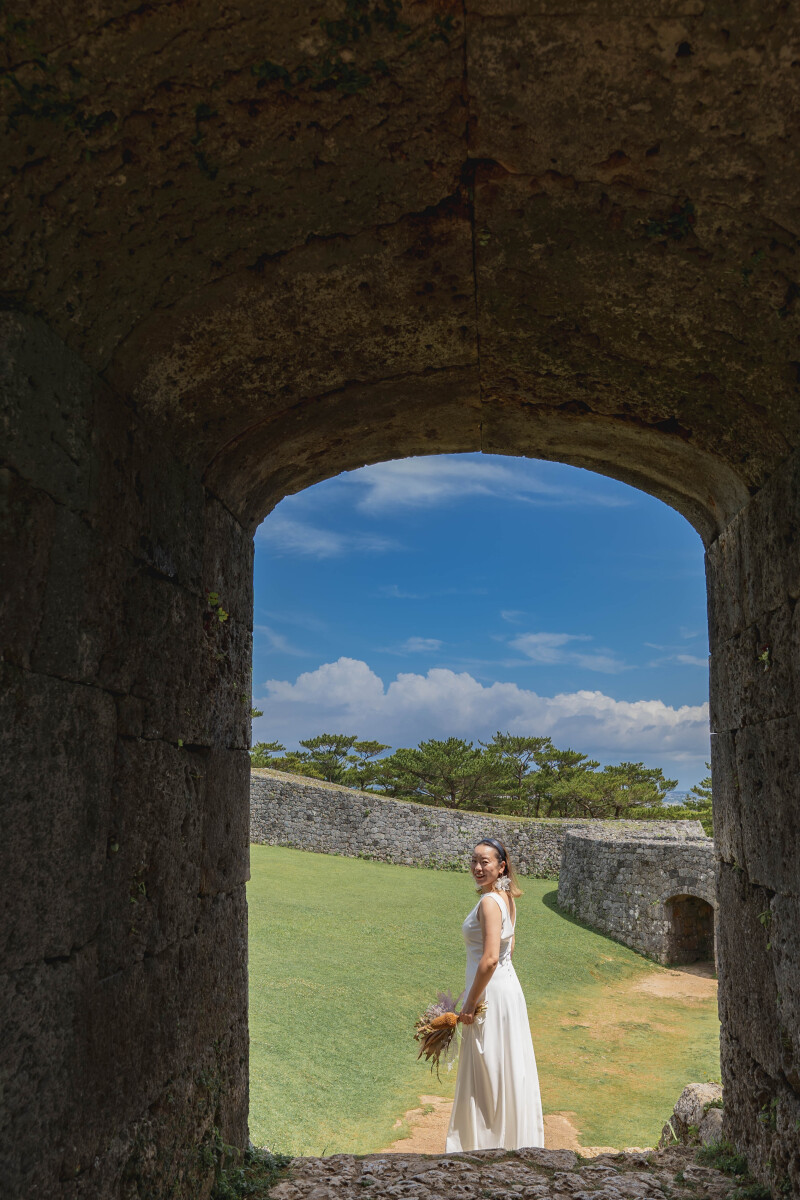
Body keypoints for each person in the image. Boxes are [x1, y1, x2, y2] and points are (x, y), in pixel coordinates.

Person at [445, 837, 544, 1152]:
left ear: (502, 865)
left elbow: (488, 959)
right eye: (474, 860)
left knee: (488, 1072)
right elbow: (508, 948)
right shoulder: (506, 898)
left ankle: (485, 1148)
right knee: (506, 1067)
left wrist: (470, 1003)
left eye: (484, 861)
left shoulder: (489, 902)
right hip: (507, 990)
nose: (477, 867)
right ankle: (512, 1142)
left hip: (490, 994)